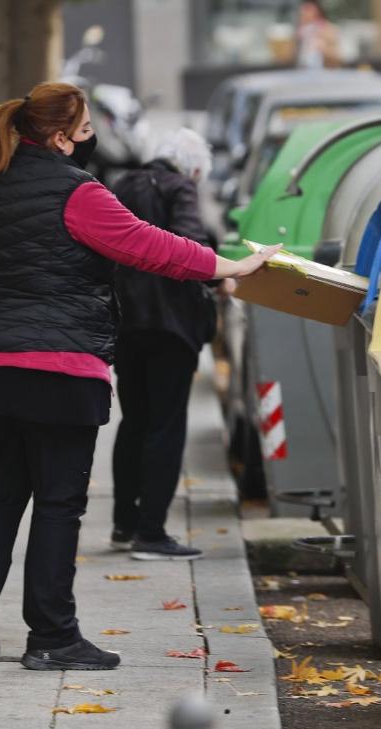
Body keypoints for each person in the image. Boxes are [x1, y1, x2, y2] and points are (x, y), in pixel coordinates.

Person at [0, 82, 276, 672]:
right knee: (58, 504)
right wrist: (229, 265)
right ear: (63, 138)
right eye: (88, 130)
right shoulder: (79, 193)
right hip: (56, 371)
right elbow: (148, 246)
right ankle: (52, 638)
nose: (94, 140)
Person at [108, 129, 227, 560]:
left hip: (126, 323)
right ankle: (152, 532)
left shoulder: (121, 185)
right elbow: (190, 246)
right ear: (194, 168)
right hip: (171, 325)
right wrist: (221, 271)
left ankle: (124, 523)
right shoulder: (180, 189)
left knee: (134, 421)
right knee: (166, 425)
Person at [295, 0, 340, 69]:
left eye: (308, 9)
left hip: (323, 73)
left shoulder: (326, 29)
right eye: (303, 10)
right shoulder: (300, 31)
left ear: (317, 11)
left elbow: (337, 55)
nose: (304, 13)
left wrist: (323, 48)